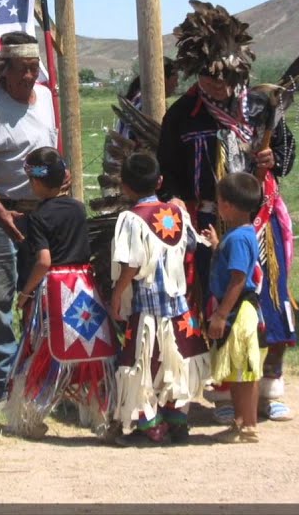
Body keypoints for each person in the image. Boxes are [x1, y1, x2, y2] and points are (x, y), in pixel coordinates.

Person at [156, 0, 299, 424]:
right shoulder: (183, 115)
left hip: (261, 220)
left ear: (238, 74)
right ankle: (222, 391)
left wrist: (274, 158)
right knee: (216, 304)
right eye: (206, 78)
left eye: (222, 80)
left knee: (270, 301)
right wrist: (180, 201)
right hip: (207, 222)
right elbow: (170, 171)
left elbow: (287, 154)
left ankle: (269, 386)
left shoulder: (259, 106)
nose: (214, 87)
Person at [0, 31, 58, 405]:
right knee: (1, 302)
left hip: (40, 215)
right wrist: (1, 213)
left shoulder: (47, 100)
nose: (28, 76)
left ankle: (39, 378)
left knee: (39, 296)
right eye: (22, 69)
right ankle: (4, 387)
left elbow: (52, 148)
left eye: (34, 68)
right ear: (4, 70)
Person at [3, 147, 116, 439]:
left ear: (38, 183)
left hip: (56, 289)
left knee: (45, 351)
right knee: (90, 353)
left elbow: (43, 261)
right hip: (84, 287)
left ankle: (31, 415)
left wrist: (26, 292)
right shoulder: (78, 208)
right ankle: (103, 415)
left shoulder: (38, 217)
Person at [108, 152, 211, 446]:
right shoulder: (176, 213)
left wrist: (117, 294)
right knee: (179, 365)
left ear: (125, 186)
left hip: (146, 313)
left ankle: (152, 426)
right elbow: (190, 245)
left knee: (143, 367)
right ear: (160, 181)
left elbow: (131, 263)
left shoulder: (130, 219)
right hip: (178, 309)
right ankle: (177, 422)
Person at [201, 173, 266, 444]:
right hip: (237, 310)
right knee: (239, 372)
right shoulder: (239, 235)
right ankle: (242, 422)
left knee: (244, 372)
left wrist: (220, 314)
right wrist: (217, 246)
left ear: (227, 205)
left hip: (237, 311)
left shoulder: (239, 238)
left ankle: (248, 424)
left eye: (219, 203)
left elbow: (238, 279)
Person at [115, 57, 179, 141]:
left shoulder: (136, 101)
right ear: (163, 79)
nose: (177, 84)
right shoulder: (149, 104)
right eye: (175, 79)